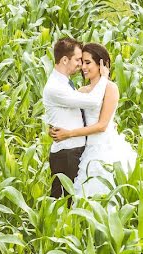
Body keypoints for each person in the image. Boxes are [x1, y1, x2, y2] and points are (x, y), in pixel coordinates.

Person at [49, 43, 136, 197]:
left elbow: (102, 125)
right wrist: (54, 127)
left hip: (105, 148)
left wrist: (69, 133)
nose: (83, 67)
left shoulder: (110, 88)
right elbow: (73, 116)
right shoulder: (82, 91)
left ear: (102, 64)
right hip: (86, 149)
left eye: (88, 62)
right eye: (82, 62)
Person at [42, 38, 110, 200]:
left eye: (85, 61)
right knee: (64, 199)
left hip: (76, 150)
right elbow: (93, 101)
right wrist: (104, 78)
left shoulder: (66, 84)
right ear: (65, 60)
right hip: (67, 152)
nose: (81, 65)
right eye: (78, 60)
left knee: (73, 199)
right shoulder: (55, 88)